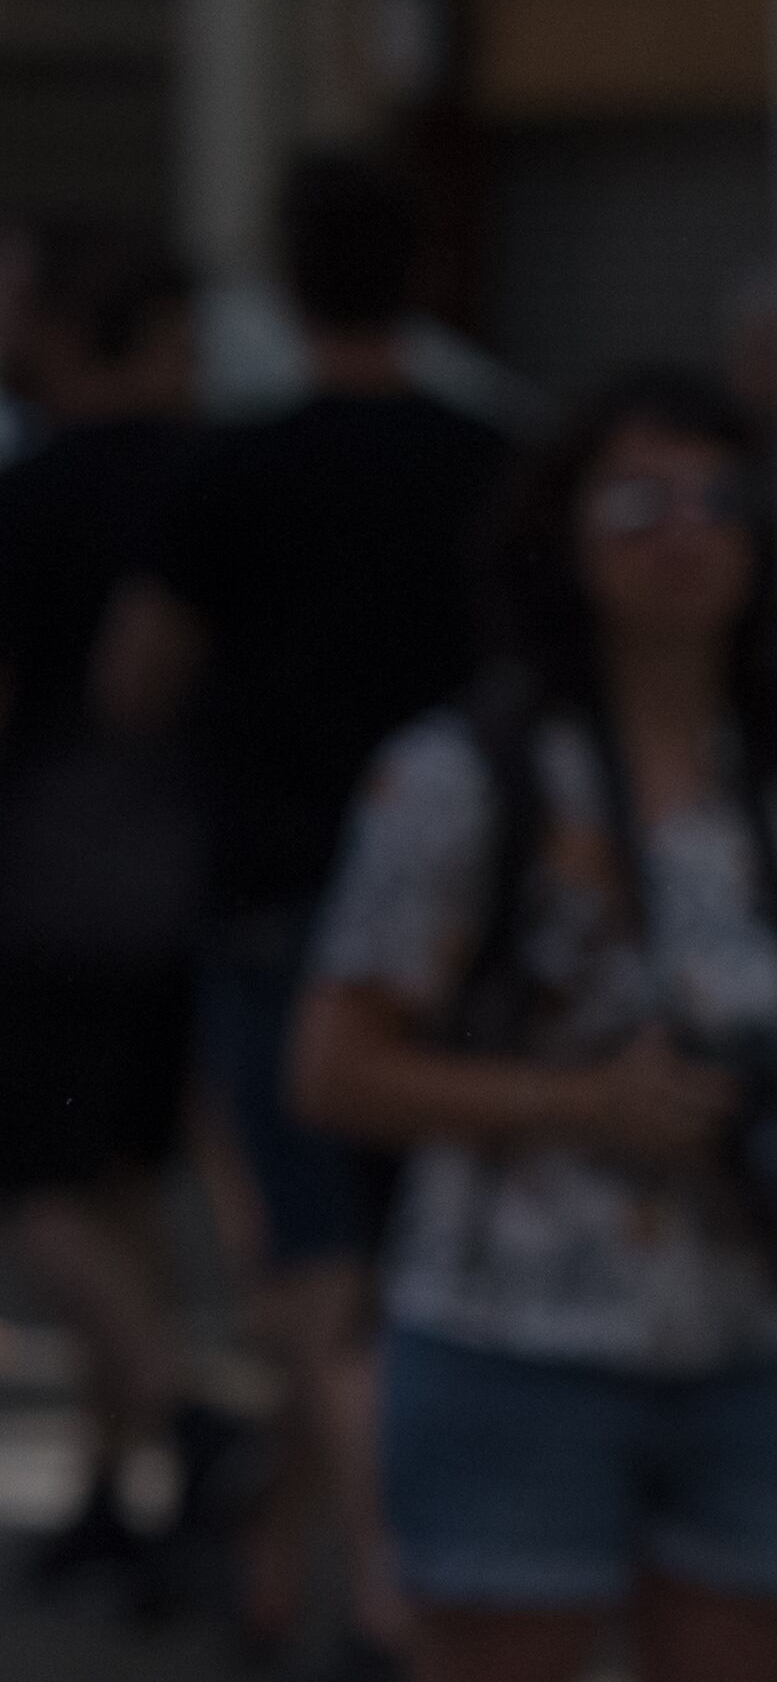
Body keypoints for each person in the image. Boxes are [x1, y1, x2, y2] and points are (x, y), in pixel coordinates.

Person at [289, 366, 777, 1682]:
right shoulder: (463, 779)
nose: (684, 533)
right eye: (638, 502)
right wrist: (582, 1105)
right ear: (562, 536)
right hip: (517, 1333)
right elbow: (332, 1067)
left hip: (754, 1332)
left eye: (718, 500)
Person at [95, 155, 512, 1671]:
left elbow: (136, 679)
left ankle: (386, 1580)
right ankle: (296, 1557)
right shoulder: (489, 458)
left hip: (276, 897)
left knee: (316, 1259)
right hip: (459, 916)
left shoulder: (239, 469)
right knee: (383, 1256)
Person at [0, 221, 222, 1608]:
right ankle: (115, 1485)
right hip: (192, 875)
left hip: (53, 875)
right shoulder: (211, 482)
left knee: (44, 1191)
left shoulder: (37, 493)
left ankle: (175, 1418)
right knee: (121, 1184)